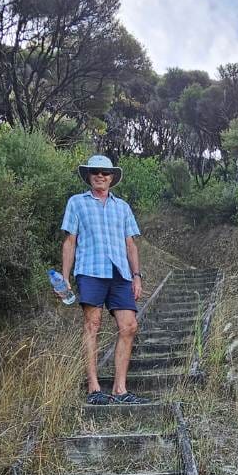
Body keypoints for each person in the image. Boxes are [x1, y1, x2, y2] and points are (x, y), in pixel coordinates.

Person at [58, 154, 149, 405]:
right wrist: (65, 278)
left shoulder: (123, 207)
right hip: (90, 269)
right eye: (95, 171)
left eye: (105, 172)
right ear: (89, 175)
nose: (100, 175)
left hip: (120, 273)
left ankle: (120, 390)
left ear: (112, 178)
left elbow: (130, 245)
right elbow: (70, 242)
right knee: (92, 325)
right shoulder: (77, 203)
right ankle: (94, 388)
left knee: (129, 326)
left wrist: (137, 276)